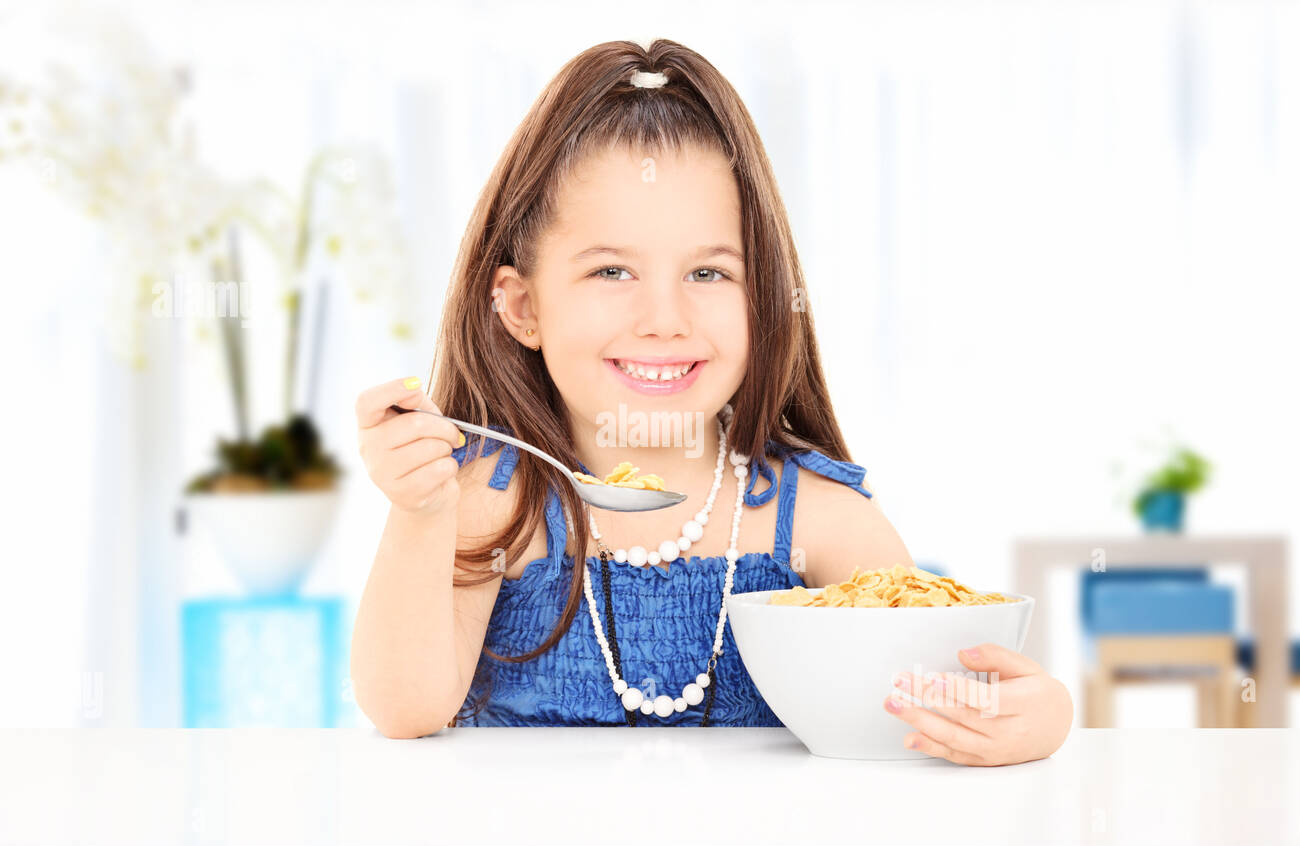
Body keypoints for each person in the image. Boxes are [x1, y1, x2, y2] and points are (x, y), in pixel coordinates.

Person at [351, 39, 1073, 764]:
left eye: (707, 273)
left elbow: (923, 700)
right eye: (611, 270)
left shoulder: (819, 519)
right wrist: (418, 512)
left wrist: (1029, 715)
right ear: (522, 306)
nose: (664, 318)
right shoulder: (491, 501)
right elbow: (407, 708)